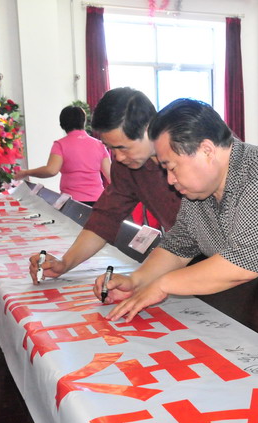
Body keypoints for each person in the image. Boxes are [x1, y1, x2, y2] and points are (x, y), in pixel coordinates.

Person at [99, 98, 258, 322]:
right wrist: (137, 280)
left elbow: (241, 266)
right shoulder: (201, 188)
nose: (170, 180)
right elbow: (178, 245)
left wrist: (162, 285)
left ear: (207, 150)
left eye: (172, 167)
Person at [29, 88, 182, 283]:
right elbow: (105, 218)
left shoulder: (187, 157)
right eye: (111, 149)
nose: (118, 157)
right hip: (180, 255)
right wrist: (65, 263)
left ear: (149, 129)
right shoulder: (127, 167)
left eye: (123, 147)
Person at [14, 106, 111, 206]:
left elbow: (51, 170)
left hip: (72, 202)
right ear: (84, 122)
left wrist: (26, 172)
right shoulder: (99, 144)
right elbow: (111, 175)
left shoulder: (60, 144)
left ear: (62, 124)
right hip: (98, 201)